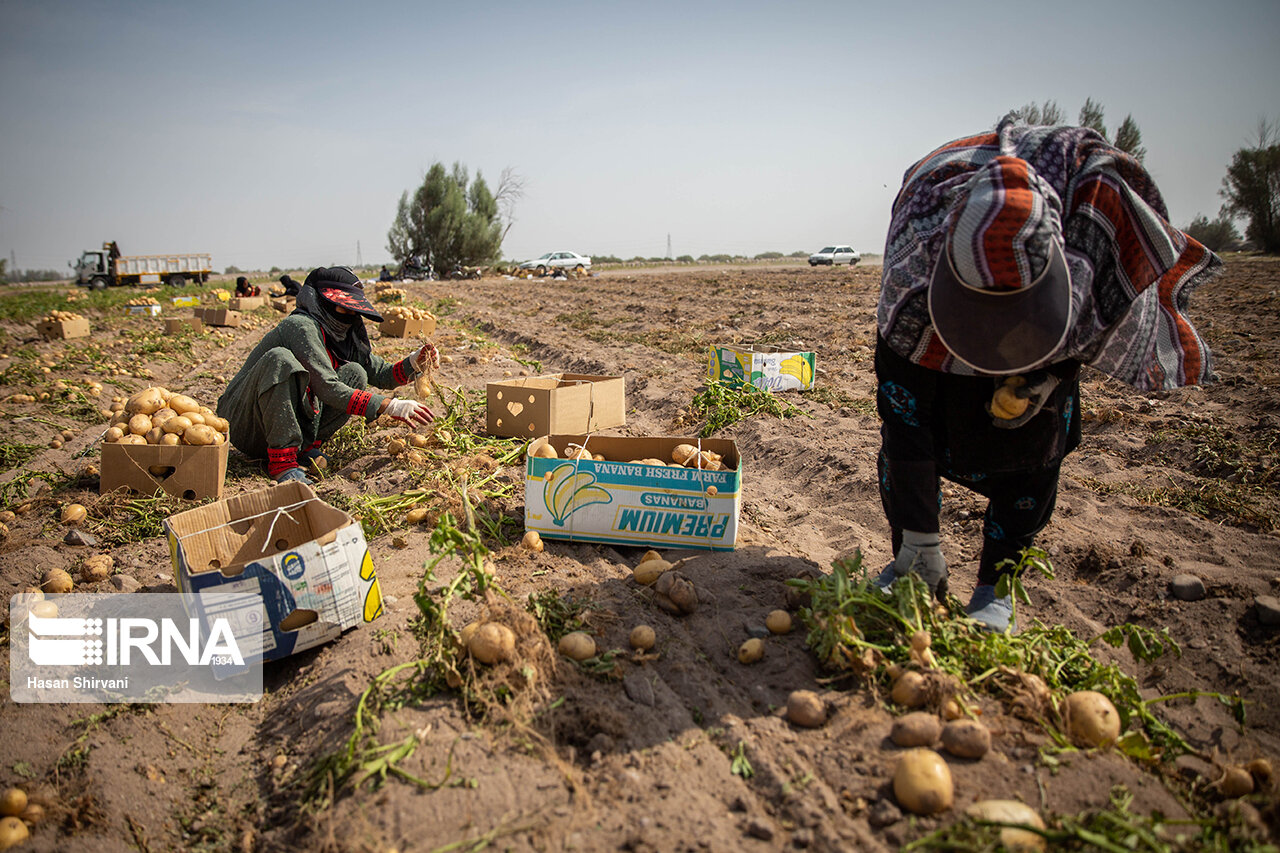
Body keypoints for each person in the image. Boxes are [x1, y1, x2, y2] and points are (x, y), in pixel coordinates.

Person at [874, 115, 1221, 632]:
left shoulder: (1096, 226)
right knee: (911, 414)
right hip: (936, 288)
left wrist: (1051, 375)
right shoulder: (913, 261)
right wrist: (921, 539)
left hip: (1064, 264)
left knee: (1036, 440)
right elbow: (901, 402)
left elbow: (1105, 310)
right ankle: (914, 558)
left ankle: (998, 584)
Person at [217, 266, 439, 485]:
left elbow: (381, 373)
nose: (350, 316)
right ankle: (282, 463)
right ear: (321, 302)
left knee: (355, 373)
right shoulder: (301, 327)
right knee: (280, 359)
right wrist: (389, 406)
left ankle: (305, 448)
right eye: (343, 309)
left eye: (354, 310)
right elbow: (327, 386)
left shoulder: (345, 333)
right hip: (247, 422)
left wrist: (414, 361)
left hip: (284, 423)